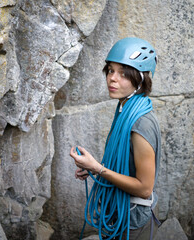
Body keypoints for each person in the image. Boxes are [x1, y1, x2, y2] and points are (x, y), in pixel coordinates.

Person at [70, 37, 161, 240]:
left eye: (123, 73)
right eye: (111, 70)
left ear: (141, 79)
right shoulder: (124, 108)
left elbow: (145, 188)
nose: (112, 78)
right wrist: (95, 167)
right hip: (121, 213)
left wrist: (97, 168)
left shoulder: (141, 123)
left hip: (133, 220)